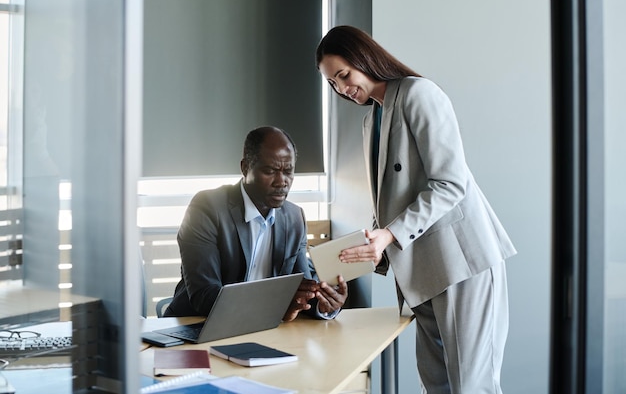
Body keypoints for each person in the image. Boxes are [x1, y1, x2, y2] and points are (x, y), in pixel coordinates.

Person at [316, 25, 517, 394]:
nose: (342, 88)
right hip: (419, 274)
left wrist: (388, 235)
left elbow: (450, 183)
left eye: (343, 75)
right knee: (435, 385)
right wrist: (366, 249)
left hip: (460, 263)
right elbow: (390, 204)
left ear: (364, 57)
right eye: (332, 84)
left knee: (472, 387)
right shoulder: (369, 120)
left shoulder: (418, 94)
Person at [164, 126, 348, 321]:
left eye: (288, 171)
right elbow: (205, 296)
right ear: (245, 168)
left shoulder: (294, 218)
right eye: (270, 171)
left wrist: (322, 301)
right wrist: (276, 305)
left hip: (263, 330)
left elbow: (301, 288)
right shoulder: (208, 207)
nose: (281, 181)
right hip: (196, 327)